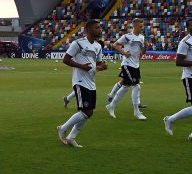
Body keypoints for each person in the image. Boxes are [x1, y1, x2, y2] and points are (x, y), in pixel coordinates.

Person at [57, 20, 107, 148]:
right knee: (86, 111)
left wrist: (102, 66)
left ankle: (71, 137)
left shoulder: (98, 46)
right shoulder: (78, 43)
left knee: (89, 112)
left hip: (91, 82)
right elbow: (66, 59)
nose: (99, 30)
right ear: (88, 29)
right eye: (97, 28)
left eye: (99, 27)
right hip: (80, 81)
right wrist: (81, 66)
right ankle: (62, 129)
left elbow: (98, 64)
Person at [105, 18, 147, 120]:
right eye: (141, 26)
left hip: (136, 65)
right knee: (136, 86)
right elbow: (115, 44)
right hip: (127, 64)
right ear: (135, 26)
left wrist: (145, 47)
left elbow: (142, 53)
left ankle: (111, 105)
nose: (142, 28)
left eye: (143, 26)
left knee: (125, 86)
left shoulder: (142, 37)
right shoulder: (127, 37)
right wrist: (124, 53)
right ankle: (136, 112)